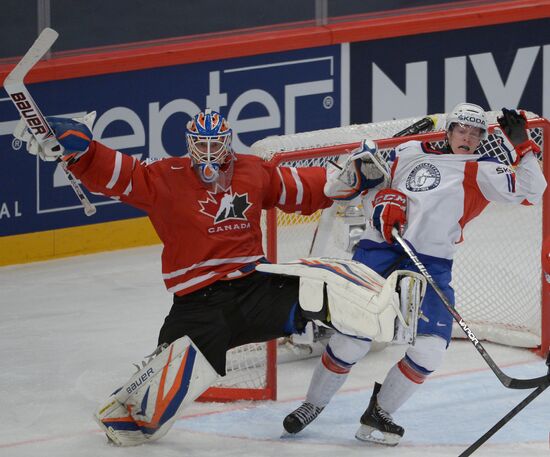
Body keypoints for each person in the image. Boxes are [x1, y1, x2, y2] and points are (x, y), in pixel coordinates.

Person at [14, 108, 408, 447]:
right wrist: (77, 150)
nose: (207, 152)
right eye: (199, 143)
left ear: (227, 141)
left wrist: (349, 180)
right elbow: (116, 173)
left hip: (255, 288)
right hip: (199, 304)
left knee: (332, 292)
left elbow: (304, 188)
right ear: (188, 143)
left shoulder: (253, 170)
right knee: (138, 422)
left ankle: (349, 375)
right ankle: (157, 371)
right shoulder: (163, 177)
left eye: (214, 142)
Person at [282, 103, 547, 446]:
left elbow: (533, 189)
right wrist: (382, 199)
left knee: (430, 350)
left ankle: (380, 412)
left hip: (431, 261)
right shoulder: (409, 150)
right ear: (448, 131)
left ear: (483, 138)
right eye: (461, 131)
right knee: (353, 336)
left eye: (475, 133)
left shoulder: (483, 170)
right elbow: (371, 182)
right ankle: (312, 405)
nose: (467, 138)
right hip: (380, 249)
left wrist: (523, 146)